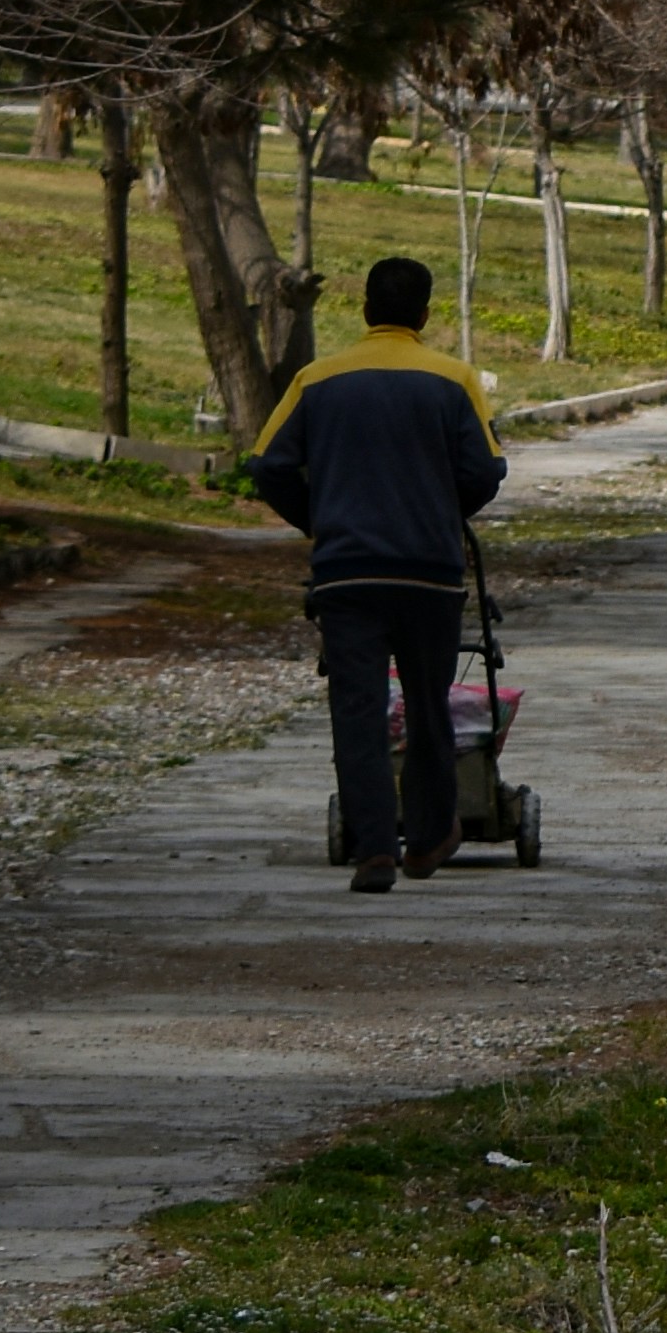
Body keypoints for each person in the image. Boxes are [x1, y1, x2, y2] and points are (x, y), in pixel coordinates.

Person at [242, 254, 506, 895]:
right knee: (426, 706)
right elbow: (487, 471)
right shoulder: (455, 378)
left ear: (363, 310)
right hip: (428, 575)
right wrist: (441, 514)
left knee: (356, 710)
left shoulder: (316, 379)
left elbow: (266, 465)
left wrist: (319, 521)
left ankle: (374, 852)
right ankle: (430, 837)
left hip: (347, 576)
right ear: (423, 315)